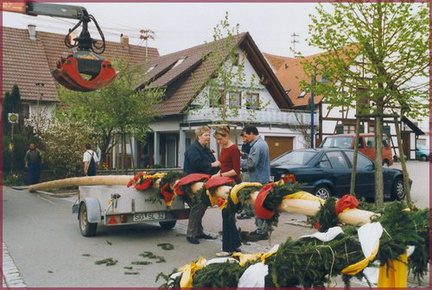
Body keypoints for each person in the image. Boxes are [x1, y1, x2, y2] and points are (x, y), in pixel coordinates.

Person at [184, 126, 221, 245]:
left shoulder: (205, 148)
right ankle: (190, 234)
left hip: (203, 181)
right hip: (194, 182)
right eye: (206, 135)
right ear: (199, 136)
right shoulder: (194, 149)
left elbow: (212, 163)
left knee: (202, 206)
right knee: (197, 206)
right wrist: (213, 164)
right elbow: (197, 164)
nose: (208, 137)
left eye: (209, 135)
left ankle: (198, 232)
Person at [212, 126, 242, 257]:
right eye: (217, 140)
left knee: (227, 216)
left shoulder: (234, 149)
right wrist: (216, 174)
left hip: (232, 185)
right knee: (227, 216)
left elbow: (236, 170)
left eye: (219, 139)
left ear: (226, 136)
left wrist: (221, 175)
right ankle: (234, 245)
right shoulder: (224, 149)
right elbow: (224, 166)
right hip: (224, 183)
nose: (218, 142)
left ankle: (228, 248)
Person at [241, 125, 271, 240]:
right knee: (261, 206)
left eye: (246, 135)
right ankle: (261, 229)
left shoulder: (257, 146)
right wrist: (245, 156)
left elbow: (251, 164)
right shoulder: (262, 143)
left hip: (258, 180)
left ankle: (262, 231)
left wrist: (237, 161)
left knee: (258, 206)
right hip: (262, 178)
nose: (245, 138)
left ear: (252, 133)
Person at [237, 130, 254, 220]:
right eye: (242, 137)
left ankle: (248, 211)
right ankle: (246, 209)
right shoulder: (244, 145)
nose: (243, 139)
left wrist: (243, 154)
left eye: (244, 137)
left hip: (247, 171)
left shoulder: (251, 145)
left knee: (246, 190)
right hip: (243, 170)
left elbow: (250, 158)